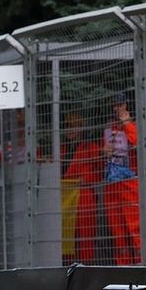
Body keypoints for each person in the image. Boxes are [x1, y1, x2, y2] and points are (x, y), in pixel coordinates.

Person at [103, 92, 141, 265]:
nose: (117, 108)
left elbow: (138, 143)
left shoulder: (133, 125)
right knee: (118, 232)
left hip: (130, 182)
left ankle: (141, 264)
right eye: (115, 105)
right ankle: (123, 267)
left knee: (134, 228)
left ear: (127, 106)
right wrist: (103, 152)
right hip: (113, 183)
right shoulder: (110, 127)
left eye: (120, 105)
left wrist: (126, 122)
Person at [62, 113, 101, 263]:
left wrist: (85, 180)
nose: (69, 130)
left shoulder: (91, 147)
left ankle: (85, 269)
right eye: (67, 127)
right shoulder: (63, 149)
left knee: (84, 238)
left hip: (83, 197)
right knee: (67, 238)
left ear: (81, 128)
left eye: (73, 127)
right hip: (66, 198)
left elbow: (98, 173)